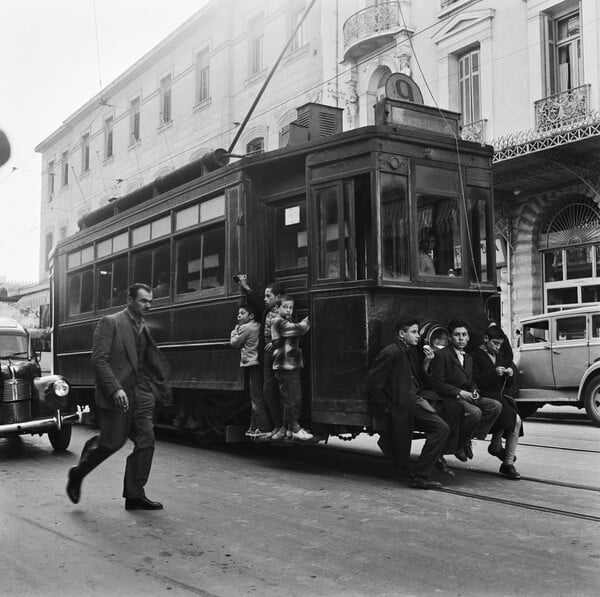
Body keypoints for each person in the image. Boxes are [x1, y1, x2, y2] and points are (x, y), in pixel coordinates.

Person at [66, 283, 171, 510]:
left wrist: (156, 389)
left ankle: (134, 494)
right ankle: (77, 474)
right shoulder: (110, 323)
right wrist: (115, 389)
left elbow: (146, 360)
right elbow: (99, 360)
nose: (148, 305)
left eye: (150, 301)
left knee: (146, 440)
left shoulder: (144, 326)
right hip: (116, 394)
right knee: (112, 443)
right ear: (130, 300)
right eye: (143, 301)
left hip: (140, 394)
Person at [367, 317, 450, 489]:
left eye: (417, 332)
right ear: (401, 334)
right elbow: (373, 383)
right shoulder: (391, 352)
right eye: (413, 332)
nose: (417, 336)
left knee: (442, 428)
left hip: (413, 402)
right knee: (440, 429)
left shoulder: (409, 351)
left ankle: (421, 474)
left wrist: (427, 362)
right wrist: (387, 407)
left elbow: (419, 379)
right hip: (402, 405)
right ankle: (420, 476)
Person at [429, 318, 501, 463]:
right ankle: (459, 444)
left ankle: (465, 440)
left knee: (495, 406)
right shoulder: (441, 355)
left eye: (464, 335)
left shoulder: (468, 357)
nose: (461, 338)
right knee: (475, 412)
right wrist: (459, 392)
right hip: (450, 398)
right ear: (450, 337)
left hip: (468, 395)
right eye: (457, 335)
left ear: (468, 337)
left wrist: (474, 391)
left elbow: (471, 381)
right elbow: (436, 383)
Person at [234, 274, 285, 438]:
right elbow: (255, 299)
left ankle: (279, 426)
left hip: (278, 355)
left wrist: (276, 343)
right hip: (267, 355)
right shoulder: (267, 311)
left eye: (268, 296)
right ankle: (276, 426)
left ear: (278, 297)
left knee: (274, 390)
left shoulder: (283, 311)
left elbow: (289, 330)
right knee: (267, 390)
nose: (264, 299)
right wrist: (245, 286)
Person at [472, 326, 522, 479]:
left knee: (514, 419)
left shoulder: (499, 354)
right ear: (486, 339)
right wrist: (493, 373)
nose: (498, 347)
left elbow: (506, 379)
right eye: (495, 343)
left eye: (500, 344)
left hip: (498, 396)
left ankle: (503, 456)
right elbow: (475, 379)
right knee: (514, 419)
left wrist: (510, 374)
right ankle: (505, 461)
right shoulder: (475, 355)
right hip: (485, 395)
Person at [270, 295, 313, 440]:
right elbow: (297, 329)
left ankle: (287, 427)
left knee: (289, 396)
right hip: (285, 364)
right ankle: (295, 427)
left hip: (289, 363)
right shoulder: (278, 321)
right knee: (292, 397)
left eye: (290, 307)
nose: (288, 310)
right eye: (285, 307)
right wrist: (308, 320)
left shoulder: (283, 321)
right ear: (277, 308)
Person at [230, 303, 270, 438]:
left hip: (252, 363)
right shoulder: (258, 325)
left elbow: (235, 343)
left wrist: (233, 332)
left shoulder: (245, 328)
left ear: (251, 316)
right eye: (238, 313)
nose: (239, 316)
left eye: (242, 313)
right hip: (259, 362)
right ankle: (254, 427)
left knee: (256, 397)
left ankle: (263, 427)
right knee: (257, 395)